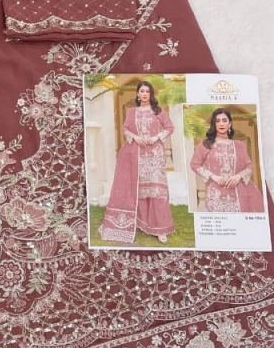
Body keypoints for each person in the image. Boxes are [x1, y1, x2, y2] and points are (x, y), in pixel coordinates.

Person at [100, 82, 175, 244]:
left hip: (155, 155)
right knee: (140, 189)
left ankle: (160, 228)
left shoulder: (158, 111)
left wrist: (156, 137)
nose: (145, 94)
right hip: (137, 154)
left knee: (156, 190)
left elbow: (169, 128)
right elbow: (126, 129)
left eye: (148, 91)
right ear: (137, 94)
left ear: (151, 94)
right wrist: (136, 137)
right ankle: (142, 222)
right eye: (142, 91)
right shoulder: (131, 112)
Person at [189, 109, 265, 212]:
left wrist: (239, 176)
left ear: (229, 124)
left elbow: (249, 167)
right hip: (216, 194)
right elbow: (194, 164)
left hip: (238, 193)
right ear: (214, 124)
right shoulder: (206, 145)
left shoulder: (239, 145)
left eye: (224, 120)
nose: (221, 124)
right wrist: (213, 176)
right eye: (218, 121)